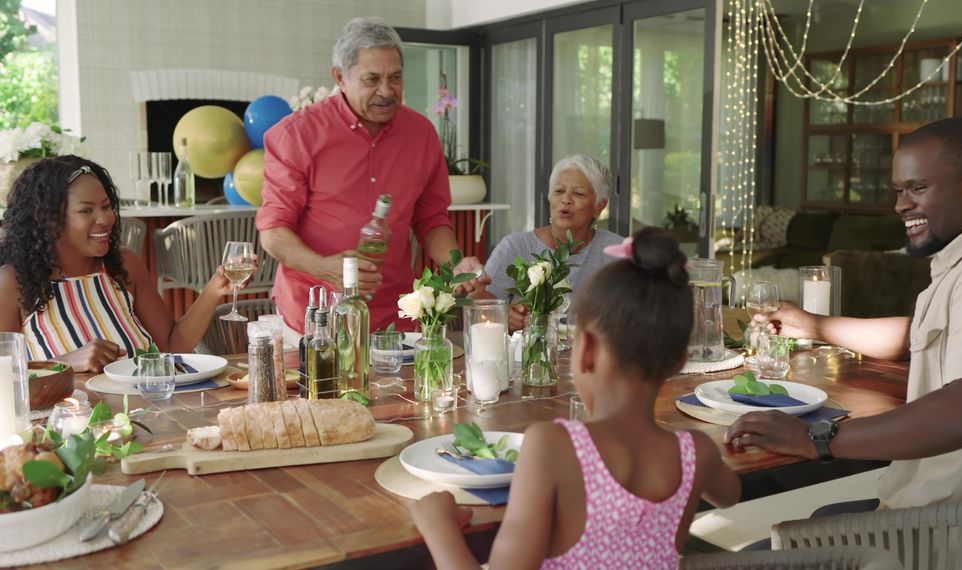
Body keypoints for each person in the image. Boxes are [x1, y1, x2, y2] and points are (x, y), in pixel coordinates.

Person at [725, 118, 962, 519]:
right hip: (935, 509)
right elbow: (912, 335)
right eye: (898, 190)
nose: (900, 205)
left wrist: (817, 438)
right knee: (809, 517)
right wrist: (811, 323)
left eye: (918, 188)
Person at [410, 228, 740, 569]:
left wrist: (438, 525)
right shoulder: (697, 453)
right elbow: (730, 494)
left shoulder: (553, 446)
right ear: (680, 361)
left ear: (586, 353)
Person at [256, 16, 485, 336]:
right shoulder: (295, 136)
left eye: (395, 77)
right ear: (339, 77)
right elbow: (273, 232)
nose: (386, 91)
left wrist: (457, 264)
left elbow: (431, 219)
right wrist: (326, 269)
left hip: (396, 318)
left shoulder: (421, 134)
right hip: (315, 318)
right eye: (372, 79)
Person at [0, 156, 244, 372]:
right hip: (77, 421)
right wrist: (66, 363)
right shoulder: (14, 283)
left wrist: (214, 288)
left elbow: (172, 344)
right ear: (47, 219)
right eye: (86, 210)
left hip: (156, 411)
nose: (106, 219)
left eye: (106, 206)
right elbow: (5, 377)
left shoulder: (123, 266)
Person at [481, 154, 623, 331]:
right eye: (559, 191)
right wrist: (504, 317)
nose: (566, 200)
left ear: (599, 207)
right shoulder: (514, 247)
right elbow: (483, 308)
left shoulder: (615, 252)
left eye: (578, 193)